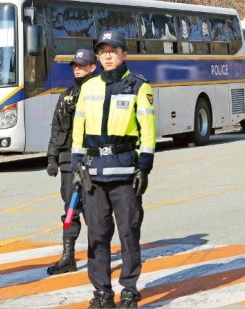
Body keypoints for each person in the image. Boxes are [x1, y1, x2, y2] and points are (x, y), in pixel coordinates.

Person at [71, 30, 156, 308]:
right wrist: (75, 166)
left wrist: (144, 167)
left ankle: (129, 289)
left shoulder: (139, 87)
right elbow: (78, 131)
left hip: (125, 174)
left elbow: (148, 132)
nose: (108, 55)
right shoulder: (88, 87)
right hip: (93, 175)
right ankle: (102, 293)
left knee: (129, 232)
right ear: (99, 56)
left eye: (114, 50)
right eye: (103, 51)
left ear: (124, 54)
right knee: (97, 235)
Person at [46, 49, 97, 275]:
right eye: (74, 65)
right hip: (68, 160)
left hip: (95, 159)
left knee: (96, 211)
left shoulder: (101, 93)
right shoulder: (66, 95)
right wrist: (52, 158)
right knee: (70, 210)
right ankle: (68, 257)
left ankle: (99, 254)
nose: (77, 68)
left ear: (92, 67)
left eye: (82, 65)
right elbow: (57, 128)